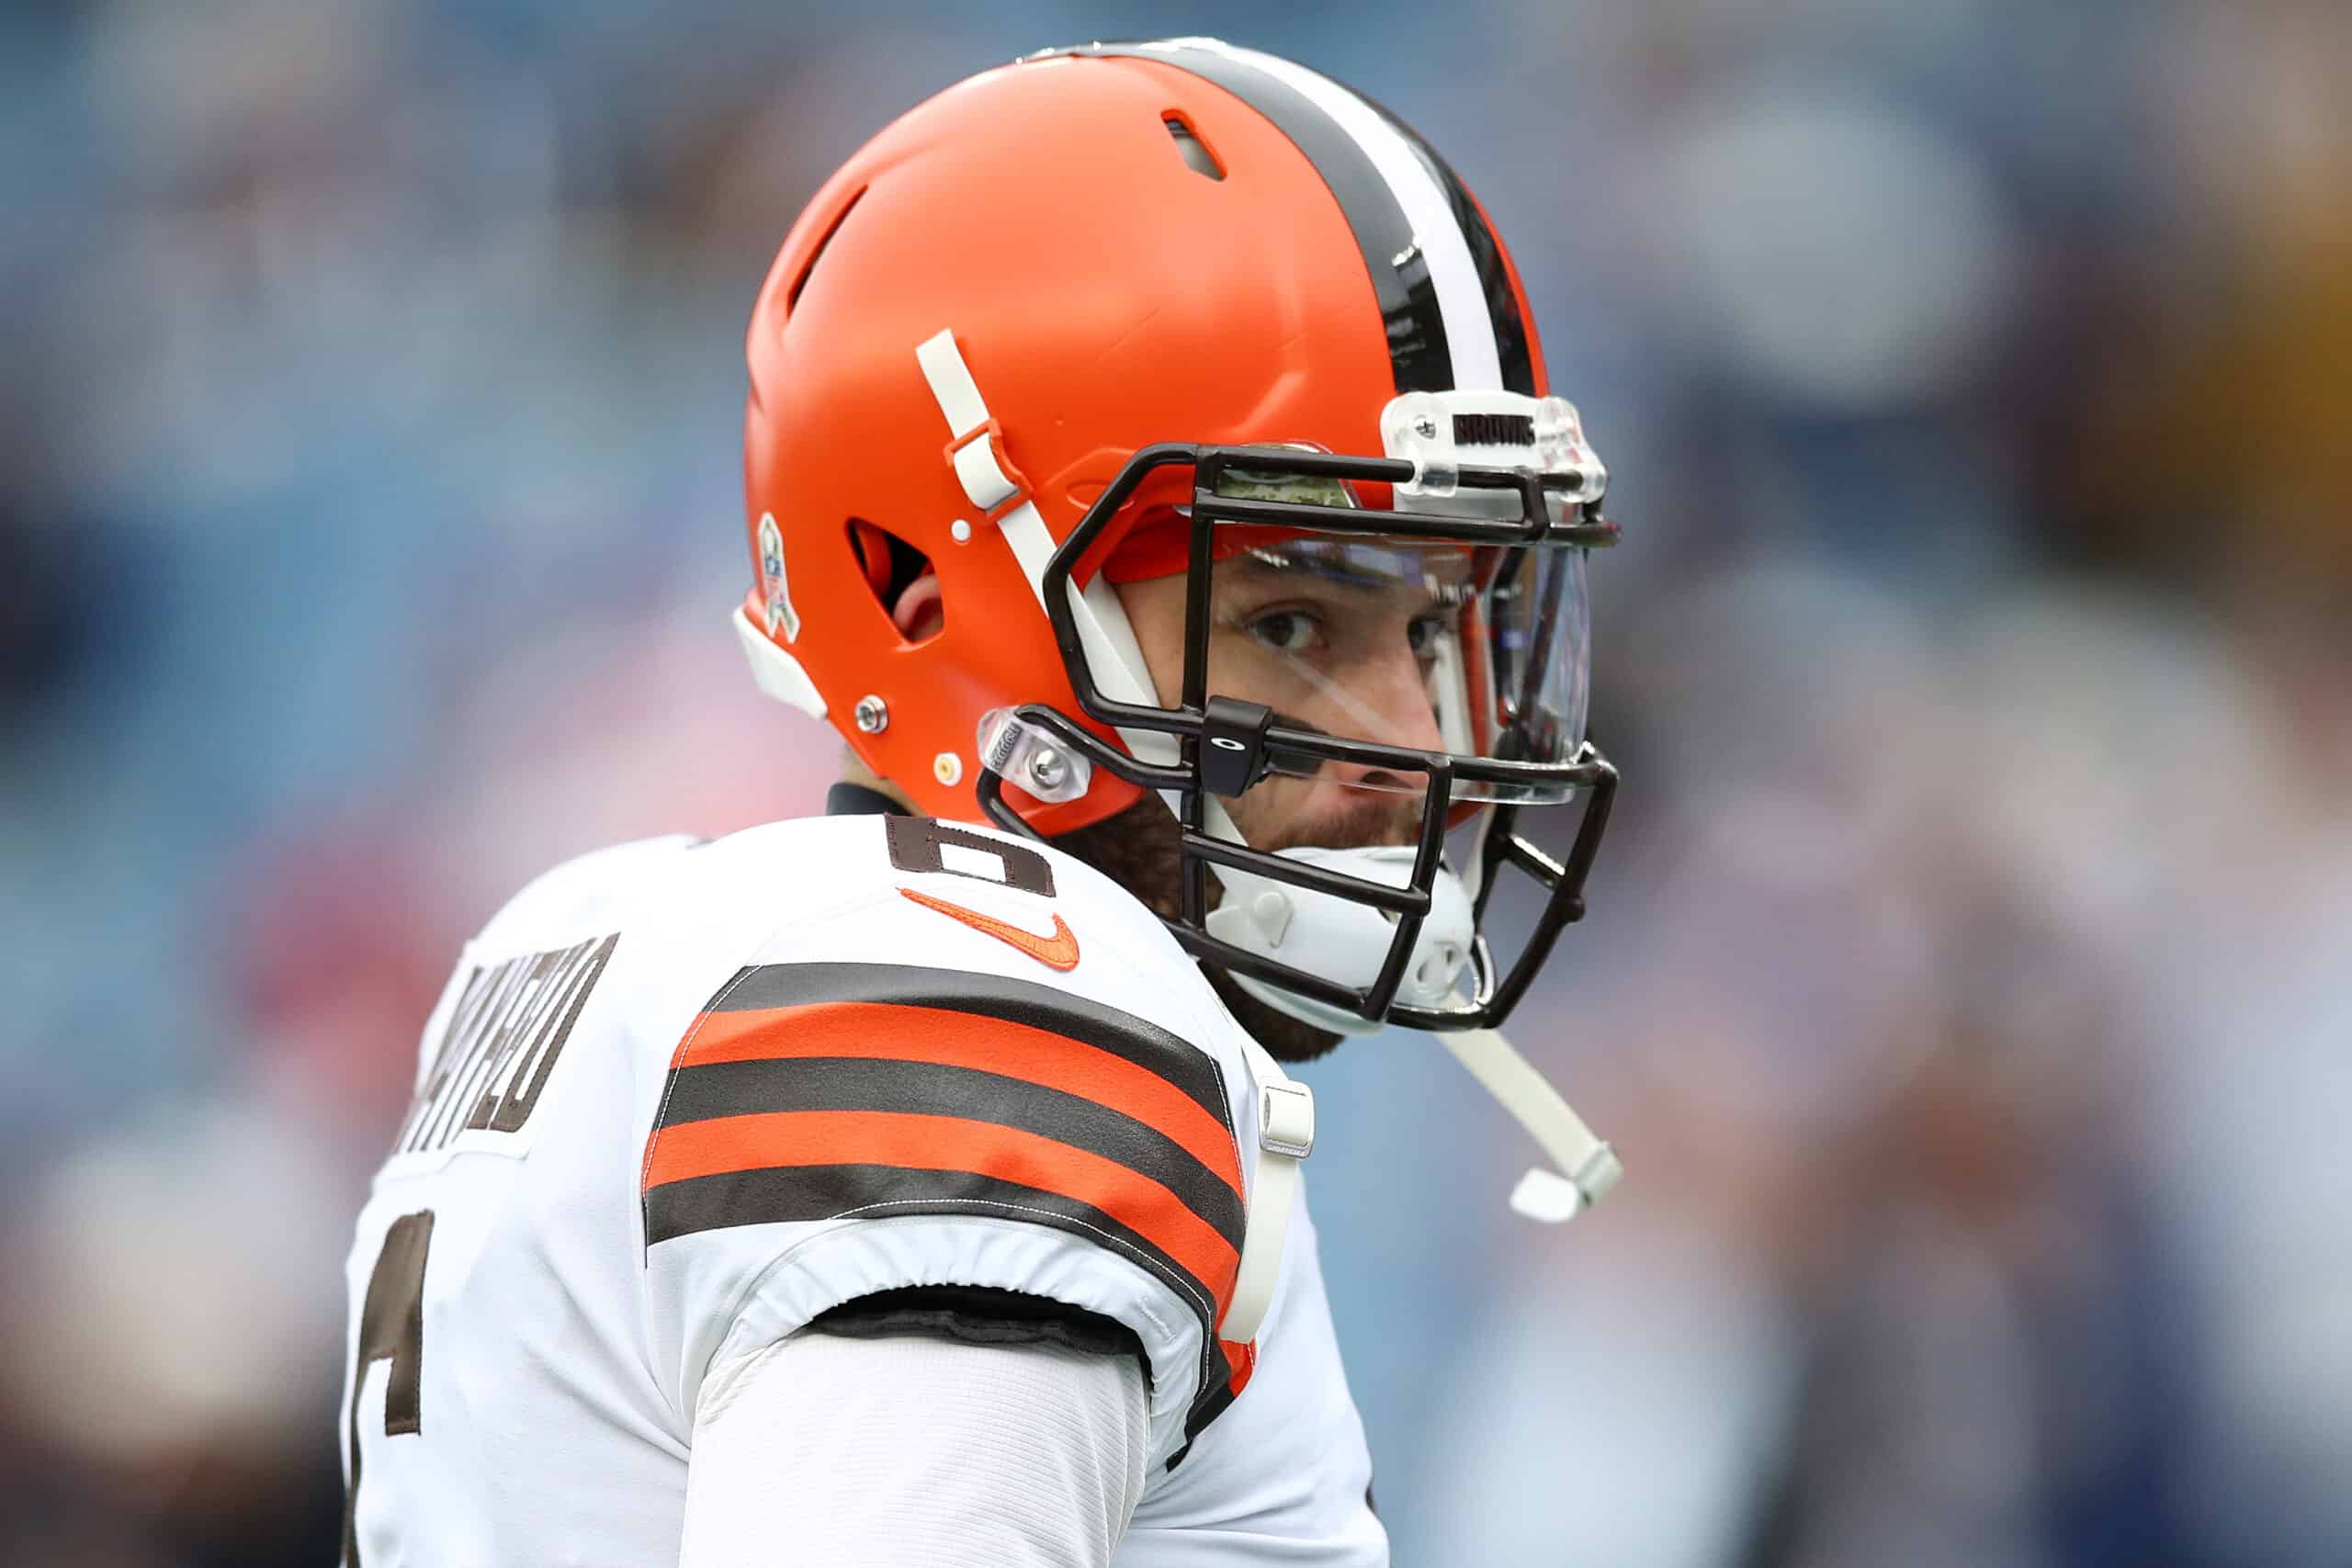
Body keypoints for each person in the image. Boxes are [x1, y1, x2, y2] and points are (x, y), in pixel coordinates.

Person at [340, 39, 1624, 1567]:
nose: (1412, 737)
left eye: (1434, 627)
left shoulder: (598, 943)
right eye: (1293, 625)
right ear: (925, 585)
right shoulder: (991, 1018)